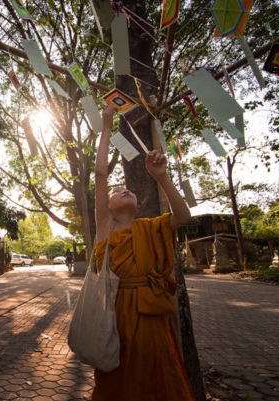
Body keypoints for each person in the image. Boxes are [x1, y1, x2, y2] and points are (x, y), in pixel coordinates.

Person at [91, 105, 194, 401]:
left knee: (157, 378)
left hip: (151, 316)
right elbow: (99, 174)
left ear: (137, 206)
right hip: (117, 317)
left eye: (129, 190)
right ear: (108, 206)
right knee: (118, 383)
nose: (123, 190)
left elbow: (184, 216)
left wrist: (160, 177)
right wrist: (107, 127)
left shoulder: (151, 226)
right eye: (116, 190)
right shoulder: (105, 229)